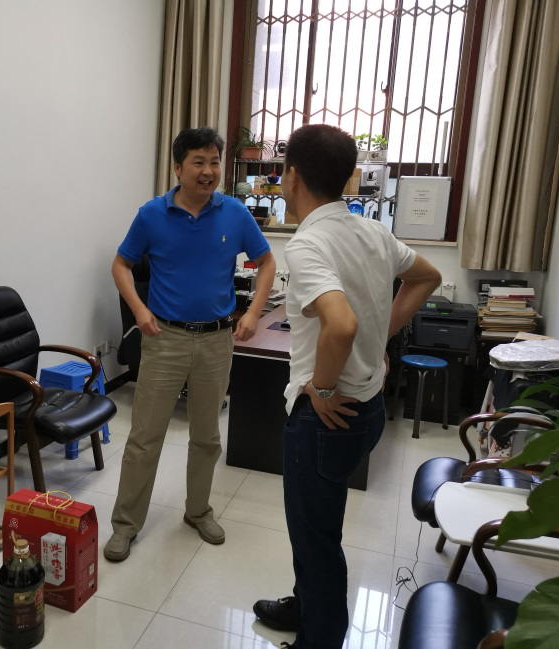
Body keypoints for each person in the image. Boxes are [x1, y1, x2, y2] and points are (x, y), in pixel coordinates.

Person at [251, 124, 441, 648]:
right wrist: (383, 336)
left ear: (291, 177)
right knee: (317, 524)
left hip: (327, 418)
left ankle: (320, 637)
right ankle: (305, 604)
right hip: (368, 406)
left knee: (316, 539)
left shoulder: (308, 243)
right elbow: (426, 277)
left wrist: (321, 387)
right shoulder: (372, 231)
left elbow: (341, 325)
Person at [105, 126, 276, 562]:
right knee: (145, 438)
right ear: (178, 168)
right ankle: (125, 525)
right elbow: (121, 265)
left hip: (217, 340)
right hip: (164, 339)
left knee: (206, 436)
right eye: (198, 162)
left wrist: (253, 313)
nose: (208, 171)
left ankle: (198, 511)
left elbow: (266, 261)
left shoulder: (234, 213)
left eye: (214, 162)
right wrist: (139, 309)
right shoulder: (151, 214)